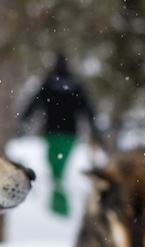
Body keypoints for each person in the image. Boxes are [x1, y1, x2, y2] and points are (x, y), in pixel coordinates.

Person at [19, 54, 104, 216]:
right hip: (69, 134)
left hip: (52, 132)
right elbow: (87, 110)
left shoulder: (49, 83)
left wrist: (24, 120)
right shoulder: (75, 85)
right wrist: (95, 130)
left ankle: (59, 207)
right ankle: (59, 205)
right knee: (58, 166)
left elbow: (34, 103)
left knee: (55, 166)